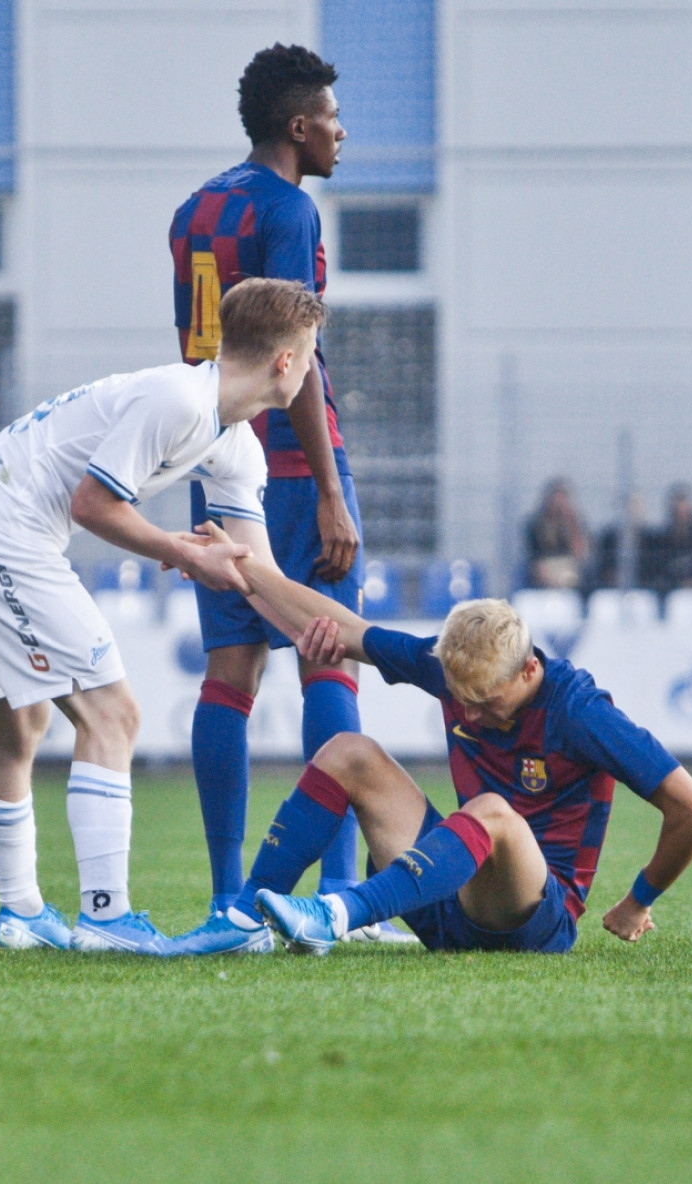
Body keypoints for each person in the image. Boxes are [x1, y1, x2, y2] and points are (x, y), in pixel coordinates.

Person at [0, 278, 320, 955]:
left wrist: (329, 633)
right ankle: (106, 916)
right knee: (114, 715)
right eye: (311, 352)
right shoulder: (178, 400)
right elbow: (90, 504)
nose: (312, 366)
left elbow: (260, 576)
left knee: (19, 724)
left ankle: (21, 913)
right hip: (3, 532)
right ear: (285, 360)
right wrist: (179, 549)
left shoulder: (235, 445)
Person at [192, 522, 692, 955]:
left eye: (485, 701)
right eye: (460, 696)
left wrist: (639, 900)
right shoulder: (452, 669)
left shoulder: (579, 711)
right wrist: (240, 568)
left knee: (492, 810)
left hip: (535, 920)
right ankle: (243, 922)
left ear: (529, 670)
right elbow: (342, 627)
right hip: (449, 903)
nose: (468, 712)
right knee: (348, 752)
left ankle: (336, 915)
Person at [169, 44, 406, 942]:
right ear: (299, 125)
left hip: (214, 454)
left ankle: (229, 895)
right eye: (334, 119)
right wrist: (333, 496)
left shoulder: (195, 209)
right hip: (297, 468)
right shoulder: (290, 209)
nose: (344, 132)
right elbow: (292, 359)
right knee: (328, 655)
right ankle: (338, 895)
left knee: (230, 673)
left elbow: (203, 348)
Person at [642, 483, 692, 594]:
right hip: (672, 588)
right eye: (679, 508)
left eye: (685, 508)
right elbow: (660, 566)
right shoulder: (663, 538)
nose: (682, 512)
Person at [523, 478, 588, 590]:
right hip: (545, 566)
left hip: (569, 566)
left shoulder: (573, 523)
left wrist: (570, 523)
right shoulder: (536, 524)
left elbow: (579, 552)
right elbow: (536, 555)